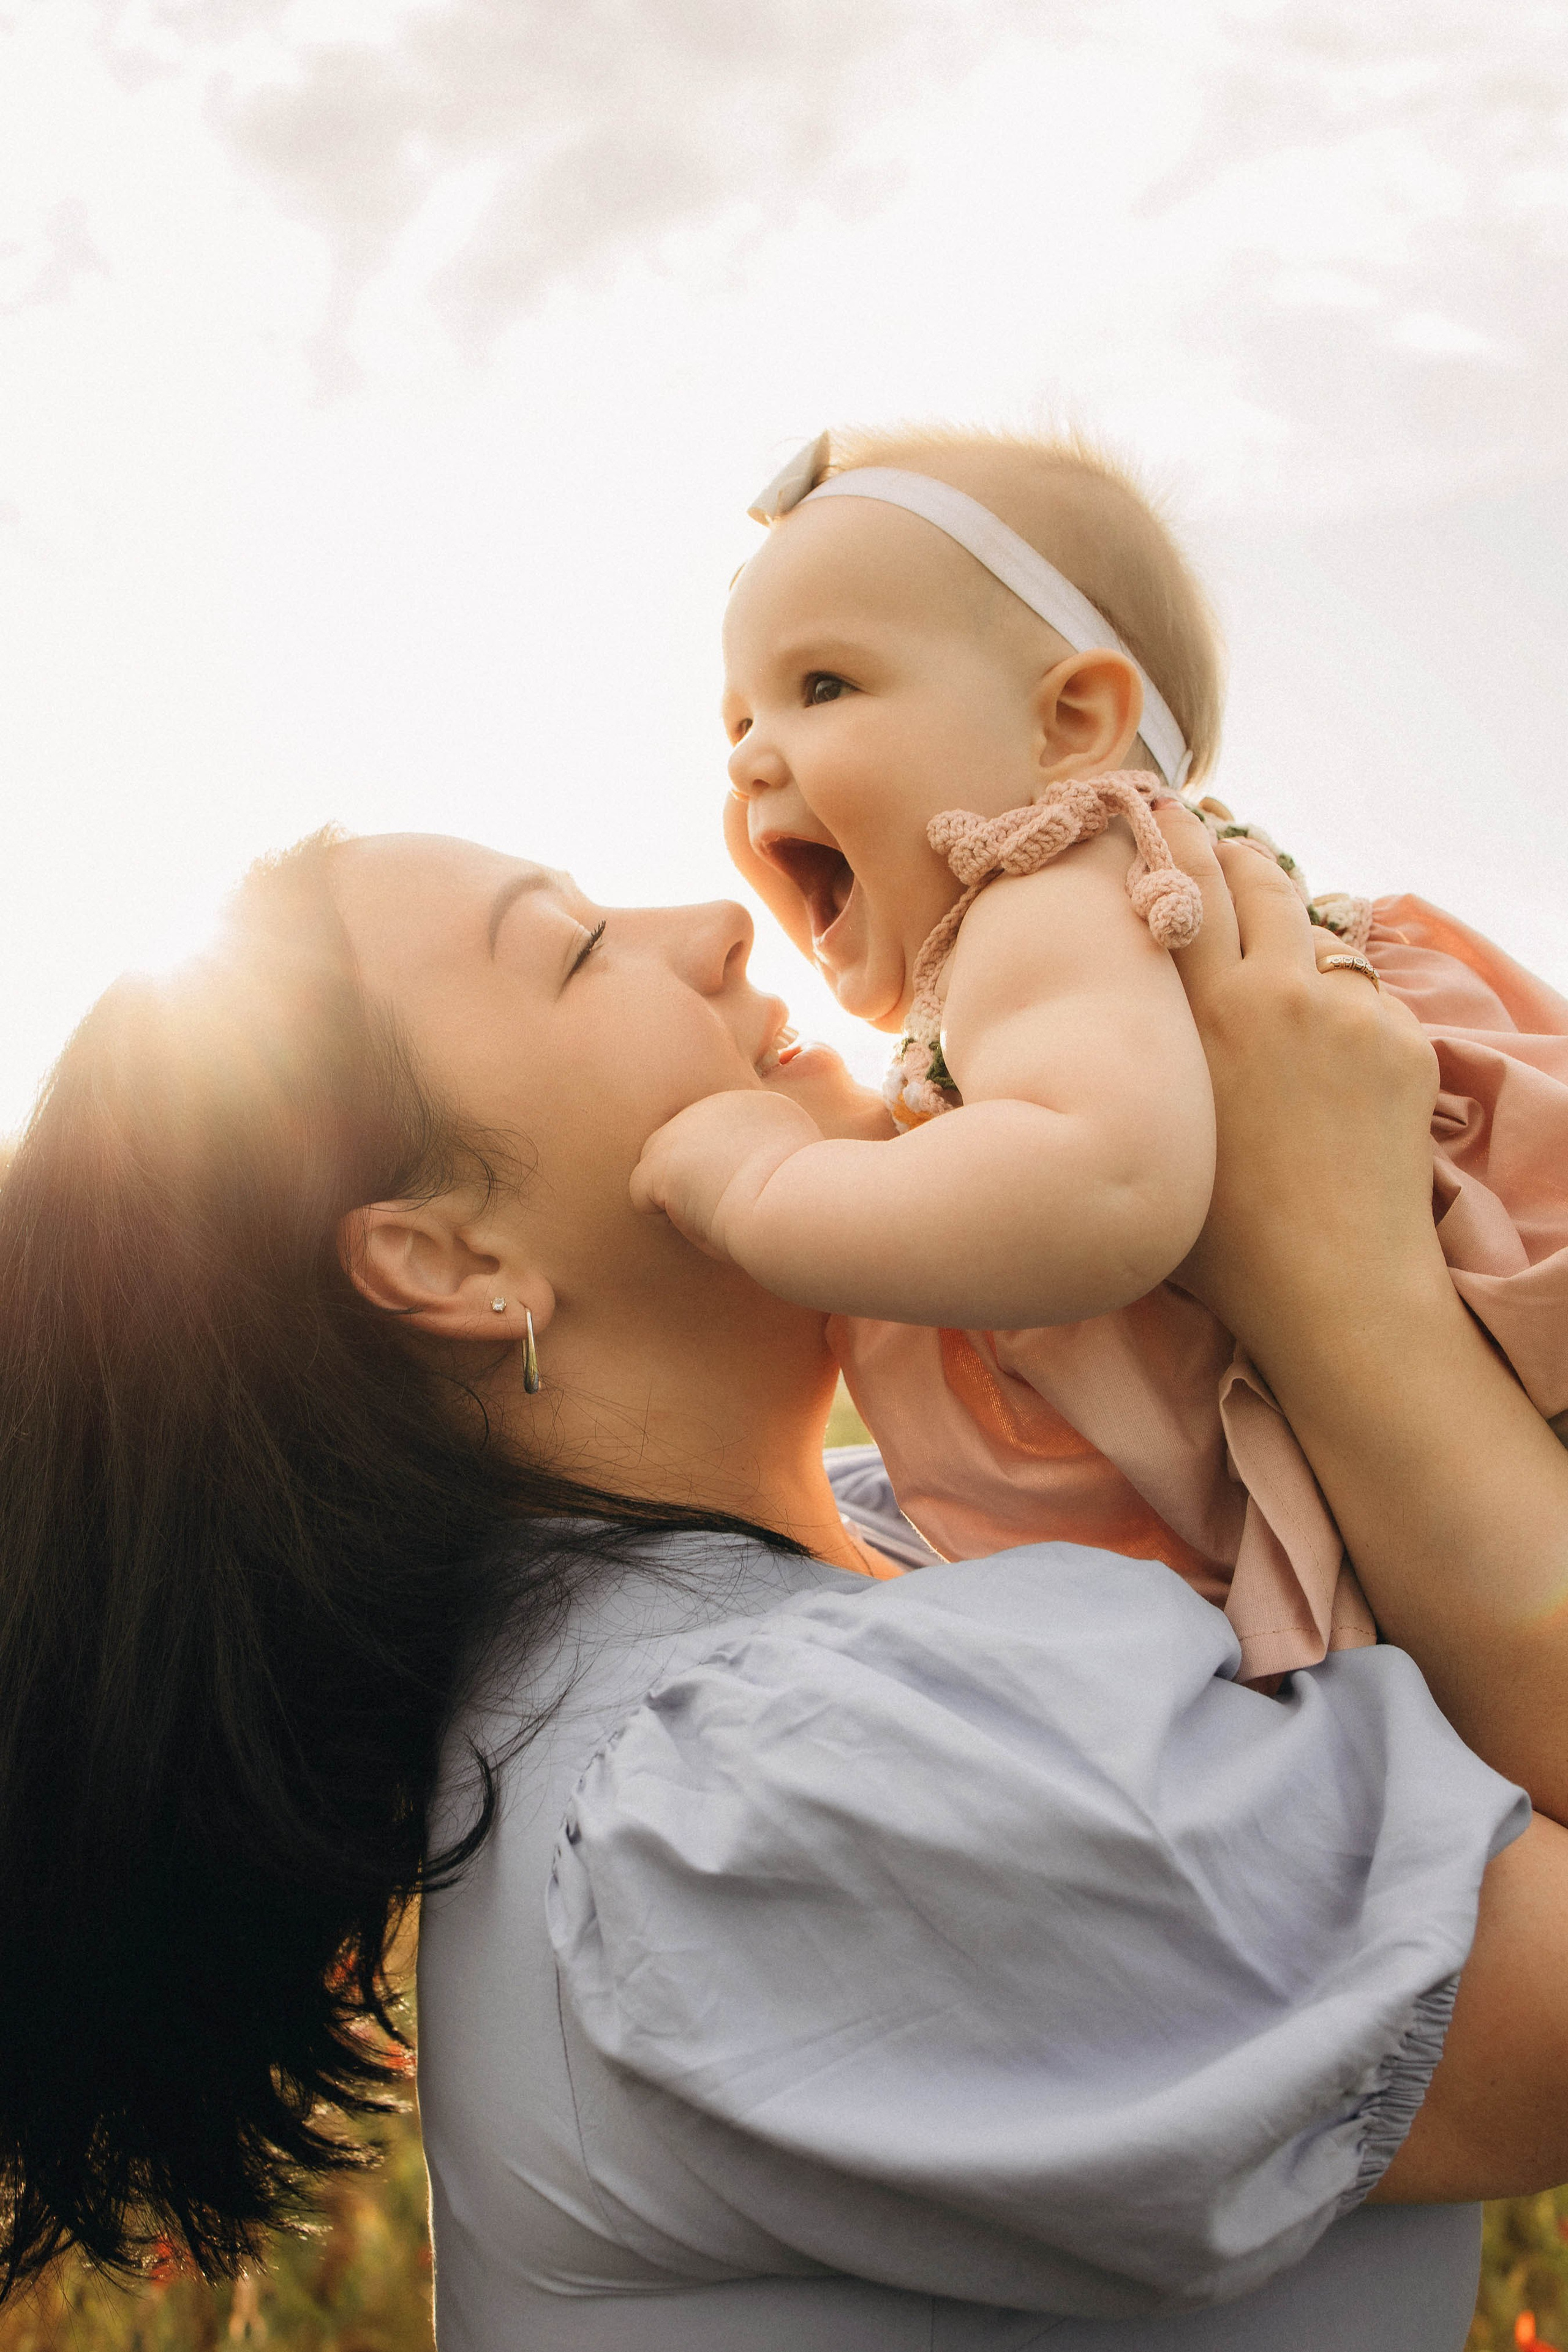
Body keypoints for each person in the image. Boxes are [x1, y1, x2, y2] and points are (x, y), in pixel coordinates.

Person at [0, 823, 1566, 2352]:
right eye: (578, 946)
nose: (716, 922)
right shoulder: (770, 1782)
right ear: (450, 1262)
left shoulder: (915, 1539)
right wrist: (1325, 1258)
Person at [634, 424, 1568, 1684]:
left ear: (1069, 723)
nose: (749, 756)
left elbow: (1100, 1185)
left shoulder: (1049, 892)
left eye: (823, 689)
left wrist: (761, 1190)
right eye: (739, 716)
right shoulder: (1108, 925)